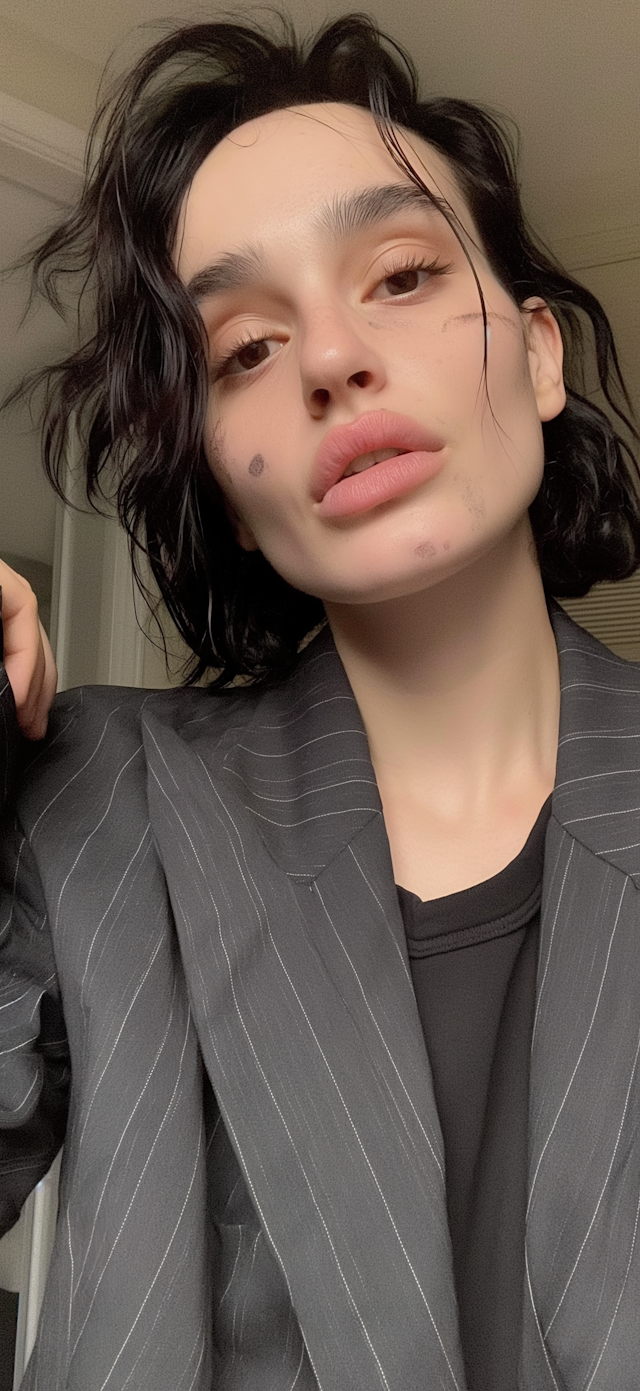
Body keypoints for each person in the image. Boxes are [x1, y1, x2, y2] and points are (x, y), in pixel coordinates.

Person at [1, 14, 639, 1390]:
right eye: (244, 349)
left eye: (401, 276)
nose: (330, 360)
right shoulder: (95, 808)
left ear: (540, 357)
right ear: (228, 489)